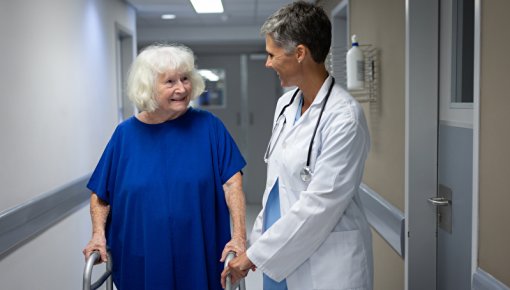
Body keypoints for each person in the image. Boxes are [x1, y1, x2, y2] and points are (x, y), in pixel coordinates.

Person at [221, 2, 373, 290]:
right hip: (280, 256)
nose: (267, 63)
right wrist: (253, 242)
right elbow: (275, 188)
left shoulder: (344, 117)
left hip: (328, 265)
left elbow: (321, 204)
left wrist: (255, 255)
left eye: (271, 55)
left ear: (300, 53)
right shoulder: (286, 104)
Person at [82, 44, 247, 290]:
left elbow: (232, 184)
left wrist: (239, 237)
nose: (181, 88)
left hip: (198, 255)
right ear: (148, 87)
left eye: (185, 79)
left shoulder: (210, 127)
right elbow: (101, 195)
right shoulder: (125, 135)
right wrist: (98, 234)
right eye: (170, 82)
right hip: (142, 258)